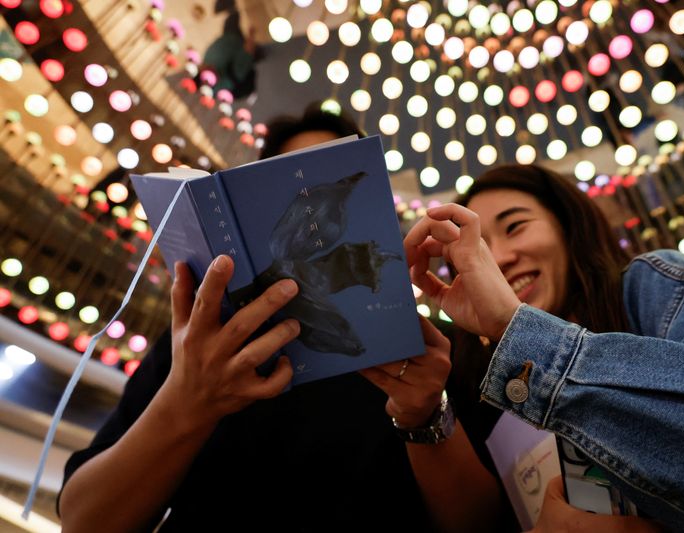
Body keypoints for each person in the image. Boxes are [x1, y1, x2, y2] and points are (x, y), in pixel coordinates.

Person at [58, 105, 446, 532]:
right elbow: (83, 521)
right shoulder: (197, 347)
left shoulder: (422, 360)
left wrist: (426, 415)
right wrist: (190, 400)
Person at [395, 163, 684, 532]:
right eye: (480, 248)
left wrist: (516, 329)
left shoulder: (654, 290)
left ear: (567, 226)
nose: (499, 258)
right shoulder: (490, 383)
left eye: (515, 226)